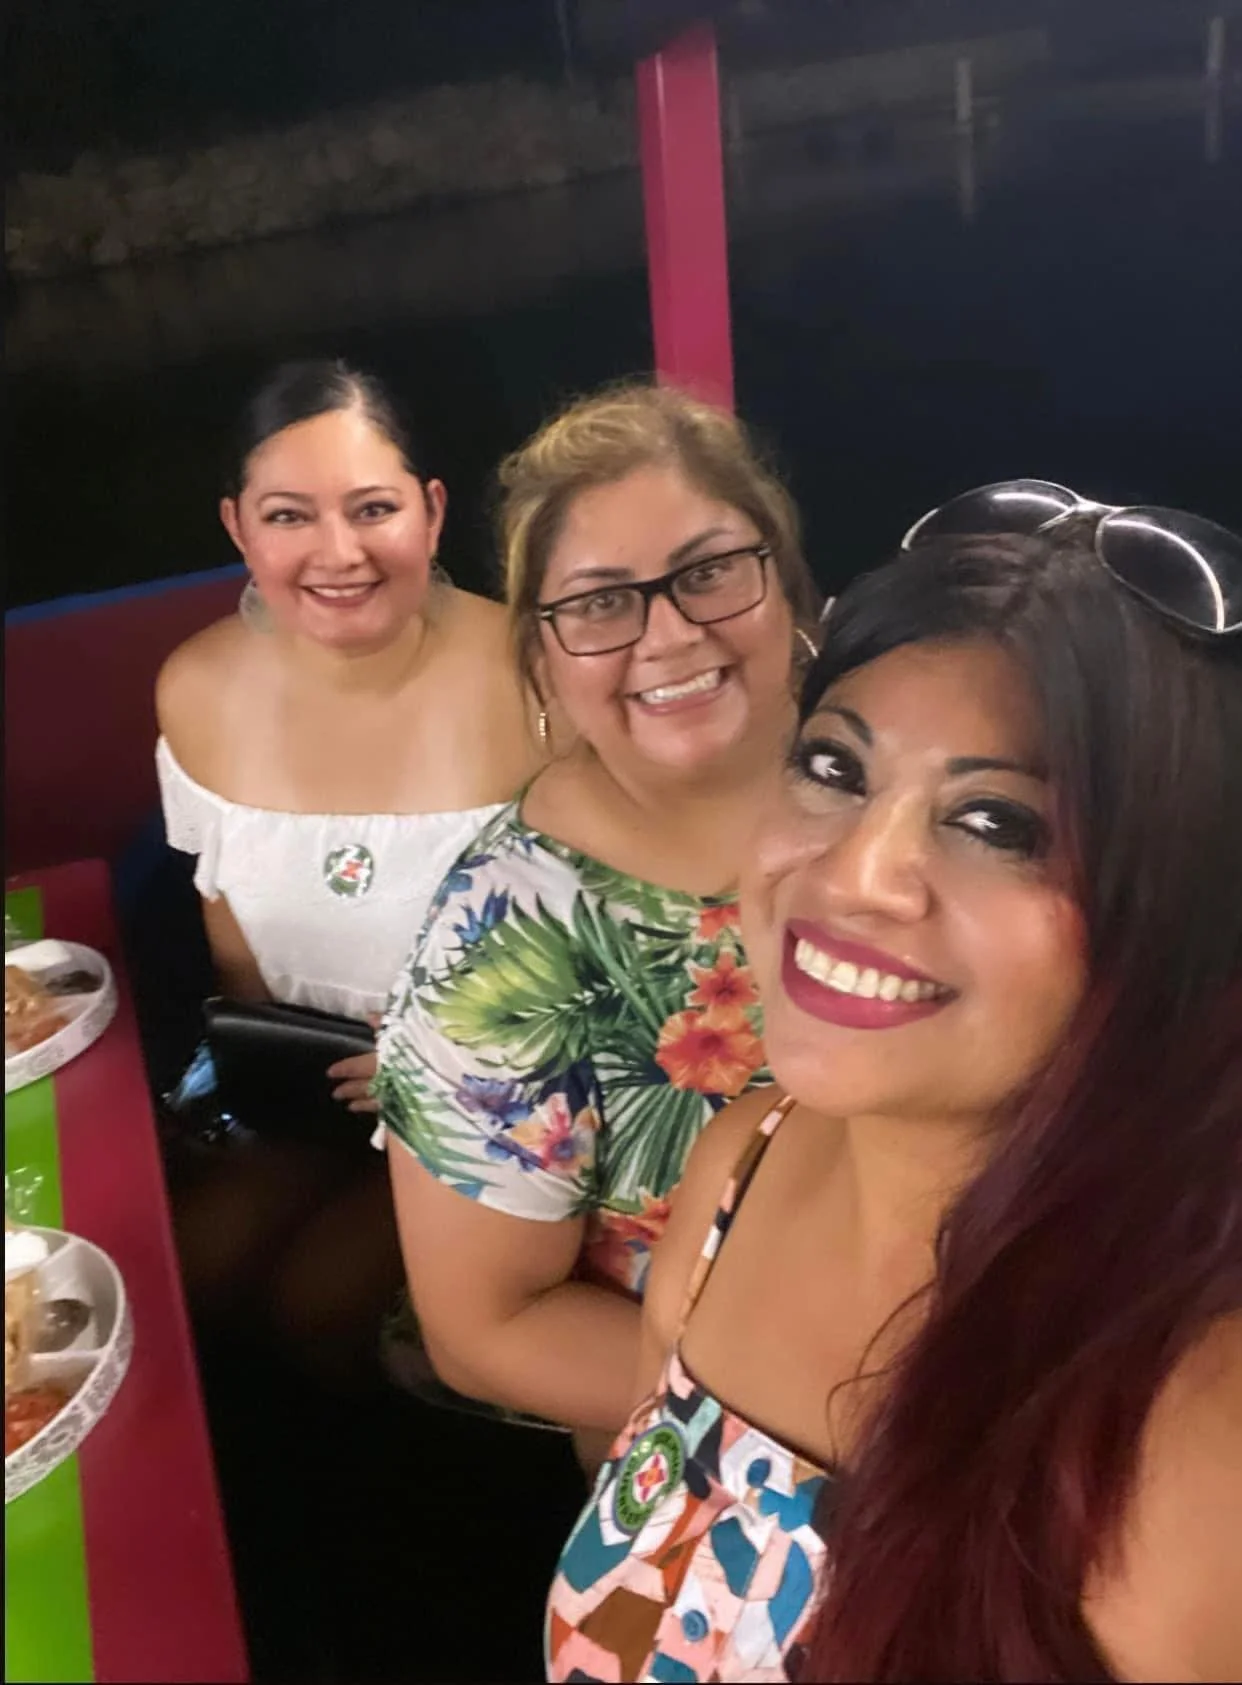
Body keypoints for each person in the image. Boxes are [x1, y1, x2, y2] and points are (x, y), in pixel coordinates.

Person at [546, 483, 1242, 1683]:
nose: (853, 874)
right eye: (834, 765)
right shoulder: (741, 1163)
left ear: (1177, 918)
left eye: (998, 823)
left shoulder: (1192, 1431)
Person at [376, 382, 821, 1453]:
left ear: (787, 585)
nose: (670, 633)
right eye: (601, 603)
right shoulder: (504, 944)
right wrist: (843, 1427)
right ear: (540, 657)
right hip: (741, 1435)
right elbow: (488, 1329)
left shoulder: (916, 783)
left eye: (709, 572)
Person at [156, 358, 544, 1385]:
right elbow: (226, 924)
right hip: (304, 1086)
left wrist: (445, 1066)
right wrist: (256, 1079)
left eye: (373, 509)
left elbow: (601, 924)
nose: (338, 553)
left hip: (481, 1096)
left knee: (317, 1302)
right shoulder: (195, 687)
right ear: (239, 528)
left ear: (432, 512)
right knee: (188, 1268)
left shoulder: (535, 676)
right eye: (289, 516)